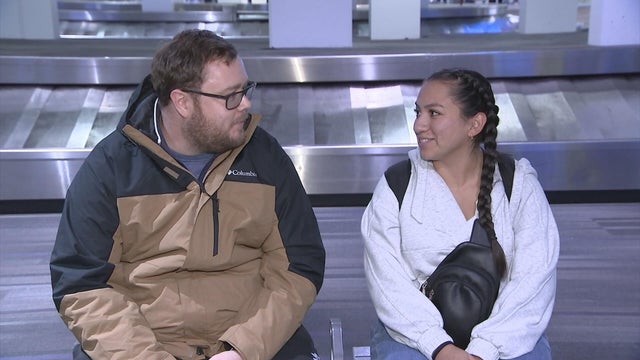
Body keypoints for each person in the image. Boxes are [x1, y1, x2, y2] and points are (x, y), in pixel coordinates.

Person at [50, 29, 325, 360]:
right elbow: (82, 286)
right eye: (231, 96)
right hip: (144, 344)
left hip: (250, 341)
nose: (246, 104)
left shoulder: (265, 158)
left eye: (246, 89)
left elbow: (299, 266)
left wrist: (243, 348)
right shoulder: (110, 168)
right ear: (182, 101)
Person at [361, 68, 559, 360]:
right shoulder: (397, 185)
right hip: (414, 337)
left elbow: (534, 281)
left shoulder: (519, 185)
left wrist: (484, 349)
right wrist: (439, 347)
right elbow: (387, 284)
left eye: (434, 113)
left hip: (504, 332)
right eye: (418, 112)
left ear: (474, 124)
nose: (418, 125)